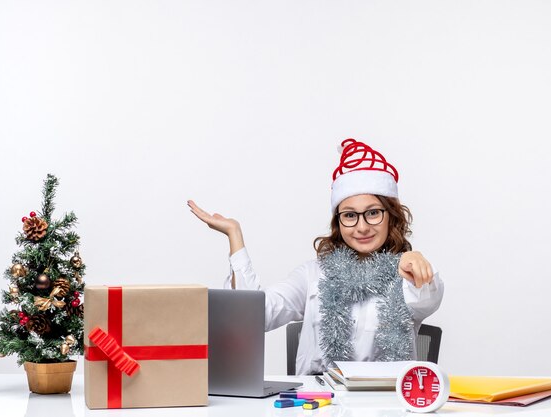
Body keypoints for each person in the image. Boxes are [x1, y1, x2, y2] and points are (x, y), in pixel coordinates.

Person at [188, 138, 444, 375]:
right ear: (338, 222)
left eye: (373, 213)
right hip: (319, 405)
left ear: (391, 217)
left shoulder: (405, 275)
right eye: (350, 215)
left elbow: (427, 297)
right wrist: (234, 235)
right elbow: (252, 316)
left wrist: (417, 266)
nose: (362, 227)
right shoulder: (313, 275)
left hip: (387, 406)